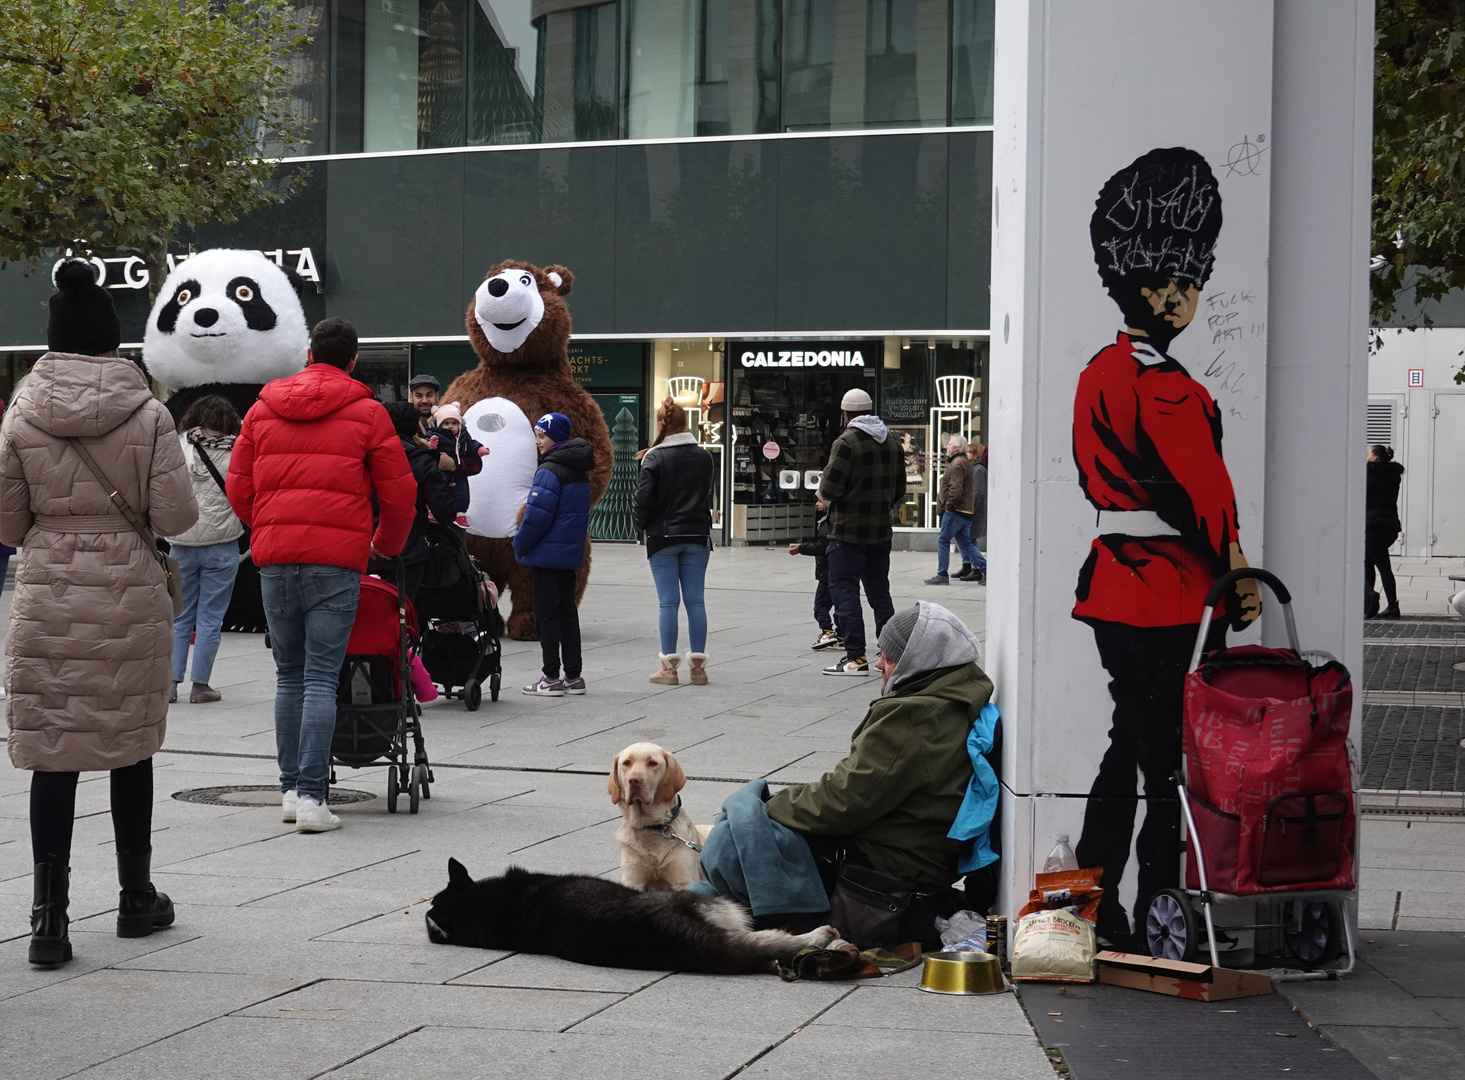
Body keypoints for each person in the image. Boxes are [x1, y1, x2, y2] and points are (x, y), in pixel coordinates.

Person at [1072, 148, 1260, 948]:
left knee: (1128, 745)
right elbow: (1206, 500)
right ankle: (1154, 907)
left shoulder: (1098, 371)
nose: (1187, 297)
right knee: (1165, 765)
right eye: (1179, 284)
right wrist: (1239, 572)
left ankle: (1094, 893)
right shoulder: (1171, 387)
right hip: (1173, 591)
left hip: (1112, 583)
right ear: (1151, 289)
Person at [2, 260, 199, 966]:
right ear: (114, 341)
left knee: (52, 755)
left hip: (50, 590)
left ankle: (47, 919)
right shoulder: (149, 414)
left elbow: (7, 522)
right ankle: (134, 896)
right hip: (130, 590)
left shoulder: (22, 412)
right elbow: (177, 514)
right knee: (129, 745)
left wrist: (57, 531)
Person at [228, 317, 416, 834]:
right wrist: (382, 546)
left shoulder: (264, 407)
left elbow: (238, 484)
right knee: (319, 676)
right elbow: (400, 495)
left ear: (309, 352)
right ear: (353, 360)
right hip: (336, 560)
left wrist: (266, 526)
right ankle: (312, 797)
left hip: (276, 556)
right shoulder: (367, 411)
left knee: (288, 675)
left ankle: (290, 790)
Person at [762, 602, 993, 942]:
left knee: (751, 833)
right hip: (916, 855)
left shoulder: (912, 715)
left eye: (888, 656)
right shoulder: (955, 696)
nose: (879, 664)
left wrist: (770, 806)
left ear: (919, 659)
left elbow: (843, 801)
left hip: (892, 869)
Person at [817, 387, 905, 676]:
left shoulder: (846, 442)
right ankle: (890, 653)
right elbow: (900, 490)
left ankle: (855, 658)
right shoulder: (892, 442)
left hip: (847, 533)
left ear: (846, 414)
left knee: (845, 593)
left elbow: (829, 488)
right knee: (880, 593)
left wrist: (827, 498)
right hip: (880, 531)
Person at [165, 395, 246, 705]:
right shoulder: (239, 451)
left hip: (182, 543)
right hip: (222, 546)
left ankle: (171, 686)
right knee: (210, 618)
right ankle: (201, 687)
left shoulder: (179, 446)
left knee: (180, 617)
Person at [633, 398, 715, 686]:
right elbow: (707, 494)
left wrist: (640, 527)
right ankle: (698, 669)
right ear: (686, 423)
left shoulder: (654, 457)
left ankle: (669, 669)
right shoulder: (704, 456)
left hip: (663, 536)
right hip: (697, 534)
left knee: (668, 603)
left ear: (661, 424)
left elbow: (644, 500)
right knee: (696, 601)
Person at [515, 412, 595, 696]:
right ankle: (574, 676)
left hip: (546, 556)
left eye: (541, 435)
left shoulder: (550, 469)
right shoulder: (579, 468)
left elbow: (537, 516)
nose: (537, 441)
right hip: (568, 554)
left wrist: (520, 544)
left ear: (555, 438)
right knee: (567, 613)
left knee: (545, 616)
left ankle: (550, 677)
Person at [378, 400, 459, 603]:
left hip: (365, 550)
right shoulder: (423, 461)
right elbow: (444, 512)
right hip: (408, 552)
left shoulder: (364, 457)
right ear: (416, 427)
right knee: (402, 616)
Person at [925, 434, 986, 586]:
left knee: (943, 540)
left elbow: (955, 489)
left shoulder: (957, 464)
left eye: (949, 444)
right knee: (966, 543)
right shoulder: (964, 462)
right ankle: (985, 568)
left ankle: (942, 574)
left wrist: (948, 506)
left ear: (956, 448)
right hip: (964, 511)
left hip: (956, 511)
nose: (946, 447)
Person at [425, 400, 487, 528]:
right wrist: (432, 444)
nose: (450, 426)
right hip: (440, 470)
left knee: (462, 491)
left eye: (454, 423)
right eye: (446, 423)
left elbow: (472, 446)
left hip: (458, 472)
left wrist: (480, 450)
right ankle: (435, 511)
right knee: (440, 487)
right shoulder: (435, 434)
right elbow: (426, 447)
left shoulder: (463, 436)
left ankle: (460, 514)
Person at [788, 499, 839, 651]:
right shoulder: (837, 521)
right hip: (839, 570)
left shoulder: (826, 522)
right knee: (840, 604)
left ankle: (827, 631)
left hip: (827, 572)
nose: (816, 503)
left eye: (820, 501)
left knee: (820, 605)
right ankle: (841, 634)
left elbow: (822, 546)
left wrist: (800, 548)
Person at [1365, 444, 1404, 619]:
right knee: (1368, 562)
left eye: (1368, 454)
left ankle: (1388, 606)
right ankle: (1368, 603)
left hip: (1373, 525)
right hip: (1389, 526)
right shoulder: (1393, 475)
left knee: (1381, 566)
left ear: (1374, 458)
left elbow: (1363, 496)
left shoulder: (1369, 473)